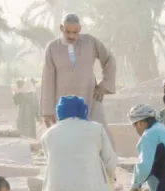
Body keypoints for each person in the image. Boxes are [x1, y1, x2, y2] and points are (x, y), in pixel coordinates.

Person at [40, 13, 116, 144]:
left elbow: (109, 59)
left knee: (101, 135)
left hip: (90, 99)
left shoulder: (90, 42)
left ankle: (108, 164)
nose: (71, 36)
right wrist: (48, 111)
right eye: (68, 32)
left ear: (80, 29)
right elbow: (48, 79)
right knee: (67, 140)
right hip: (63, 104)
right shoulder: (52, 48)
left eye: (75, 32)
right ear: (61, 28)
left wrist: (104, 85)